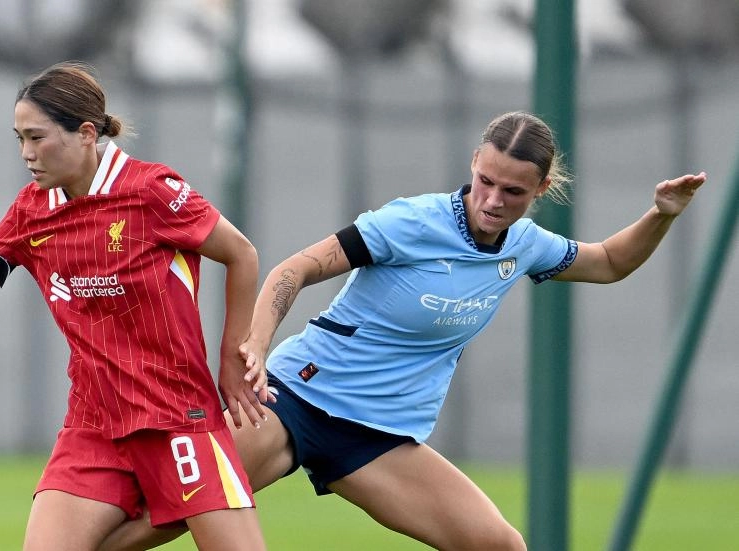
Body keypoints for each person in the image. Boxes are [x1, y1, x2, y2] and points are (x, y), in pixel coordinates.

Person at [98, 110, 707, 550]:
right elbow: (297, 268)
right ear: (474, 163)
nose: (493, 199)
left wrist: (660, 214)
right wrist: (255, 345)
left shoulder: (525, 246)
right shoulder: (411, 222)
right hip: (294, 400)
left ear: (540, 191)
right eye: (486, 181)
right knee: (170, 516)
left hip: (379, 438)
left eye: (513, 191)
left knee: (500, 546)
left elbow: (609, 263)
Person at [0, 60, 272, 551]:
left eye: (37, 138)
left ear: (86, 134)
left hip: (177, 419)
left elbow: (242, 254)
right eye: (18, 138)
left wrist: (234, 358)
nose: (26, 153)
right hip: (94, 428)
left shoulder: (151, 191)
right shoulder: (31, 210)